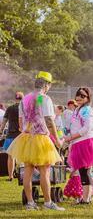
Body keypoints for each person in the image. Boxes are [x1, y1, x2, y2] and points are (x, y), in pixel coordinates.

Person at [7, 71, 64, 211]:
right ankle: (48, 202)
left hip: (27, 137)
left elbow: (21, 123)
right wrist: (57, 140)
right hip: (40, 138)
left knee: (28, 170)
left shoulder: (25, 99)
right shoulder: (44, 98)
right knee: (45, 170)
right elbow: (49, 120)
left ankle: (31, 203)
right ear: (47, 85)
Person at [65, 87, 93, 204]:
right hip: (78, 142)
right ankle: (86, 197)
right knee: (83, 172)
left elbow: (86, 128)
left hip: (85, 143)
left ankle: (86, 199)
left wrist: (71, 137)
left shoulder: (86, 110)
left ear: (88, 98)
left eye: (83, 96)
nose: (79, 98)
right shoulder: (78, 109)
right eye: (78, 95)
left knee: (84, 172)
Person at [0, 92, 24, 181]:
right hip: (22, 135)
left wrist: (1, 130)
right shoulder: (25, 109)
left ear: (15, 99)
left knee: (10, 156)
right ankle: (23, 175)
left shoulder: (9, 108)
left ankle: (11, 176)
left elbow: (4, 121)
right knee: (24, 155)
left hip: (10, 135)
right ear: (23, 99)